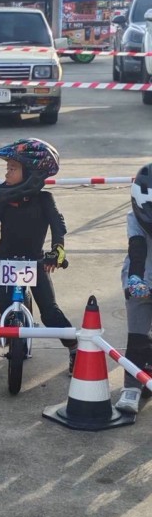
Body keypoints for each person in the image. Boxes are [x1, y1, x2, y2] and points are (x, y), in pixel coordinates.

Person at [0, 138, 78, 373]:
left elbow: (58, 226)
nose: (7, 173)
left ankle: (74, 348)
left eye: (12, 168)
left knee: (50, 313)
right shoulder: (5, 199)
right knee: (2, 298)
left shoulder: (44, 200)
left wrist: (57, 251)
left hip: (36, 261)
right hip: (5, 261)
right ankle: (10, 326)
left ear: (31, 174)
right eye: (7, 168)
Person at [114, 164, 152, 414]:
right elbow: (137, 247)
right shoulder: (134, 218)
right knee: (137, 337)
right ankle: (131, 388)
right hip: (141, 280)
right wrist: (136, 279)